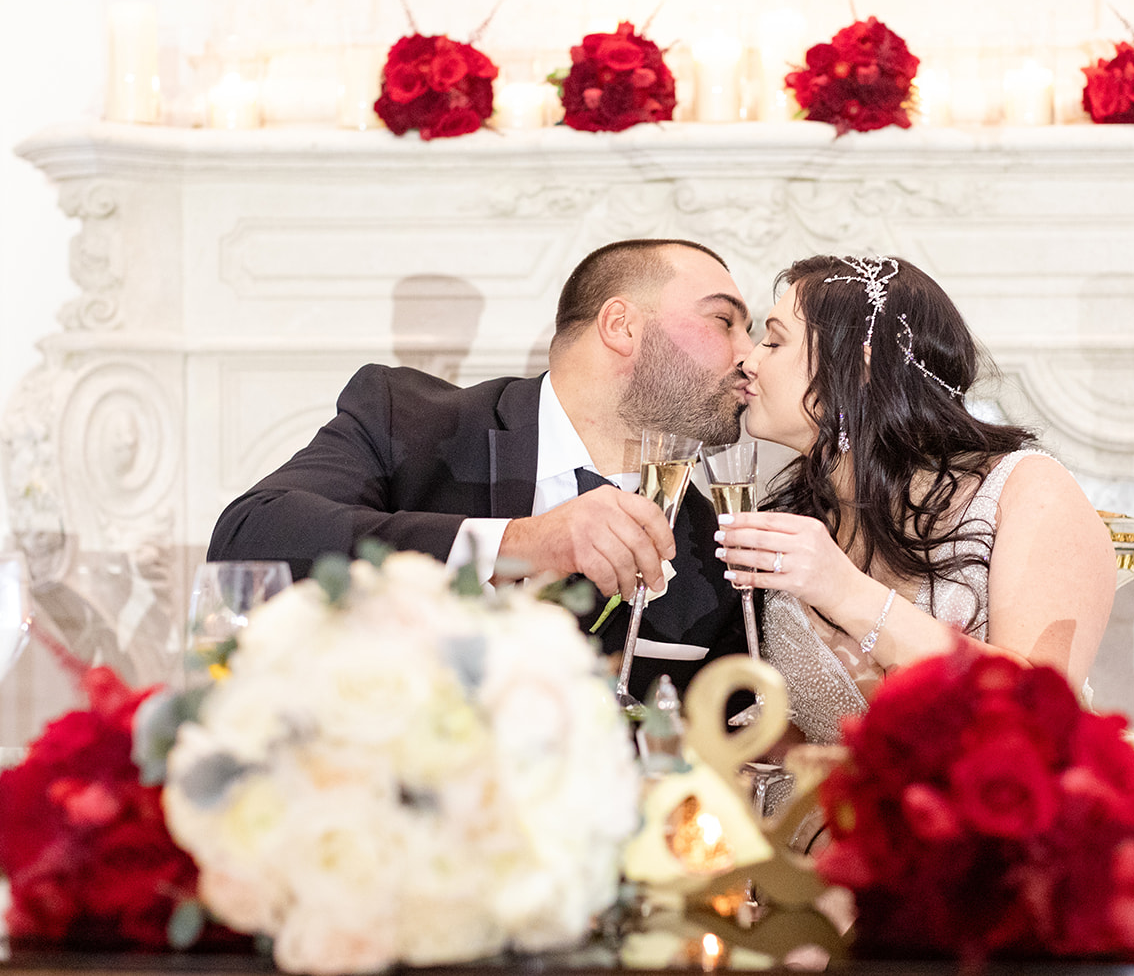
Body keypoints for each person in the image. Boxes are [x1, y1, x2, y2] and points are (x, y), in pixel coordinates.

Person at [208, 238, 755, 697]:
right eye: (724, 321)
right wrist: (522, 542)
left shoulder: (716, 543)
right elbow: (249, 537)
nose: (748, 355)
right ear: (621, 326)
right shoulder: (411, 422)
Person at [714, 254, 1114, 745]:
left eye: (773, 341)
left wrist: (841, 589)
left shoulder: (1026, 491)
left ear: (860, 370)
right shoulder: (797, 513)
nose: (748, 361)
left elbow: (1041, 718)